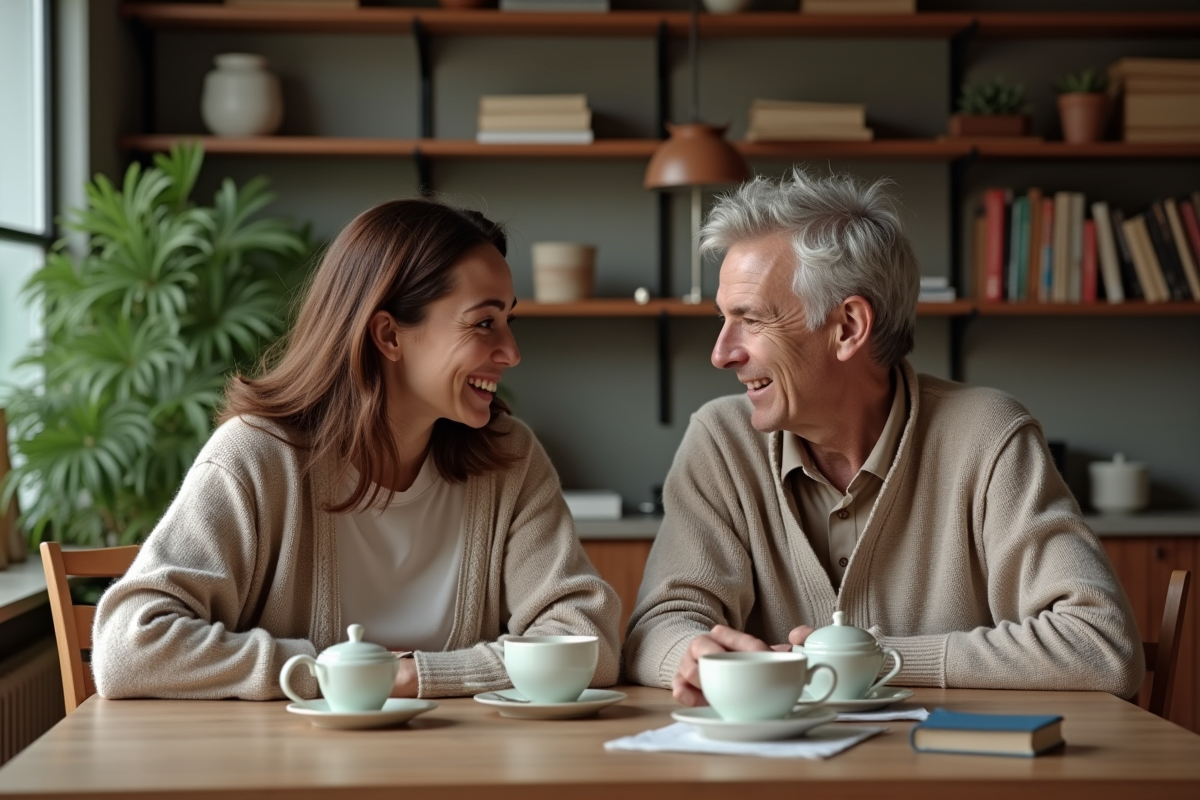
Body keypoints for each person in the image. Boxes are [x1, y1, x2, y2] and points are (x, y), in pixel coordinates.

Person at [623, 169, 1144, 705]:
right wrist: (689, 653)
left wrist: (874, 659)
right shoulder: (721, 441)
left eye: (750, 320)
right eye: (722, 319)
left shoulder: (989, 437)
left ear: (848, 326)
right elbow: (655, 628)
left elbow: (1101, 645)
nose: (721, 352)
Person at [93, 198, 621, 701]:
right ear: (389, 336)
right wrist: (337, 674)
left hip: (461, 768)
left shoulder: (509, 458)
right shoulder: (257, 457)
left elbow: (588, 640)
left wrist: (418, 676)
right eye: (484, 323)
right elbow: (129, 647)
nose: (511, 352)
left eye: (509, 321)